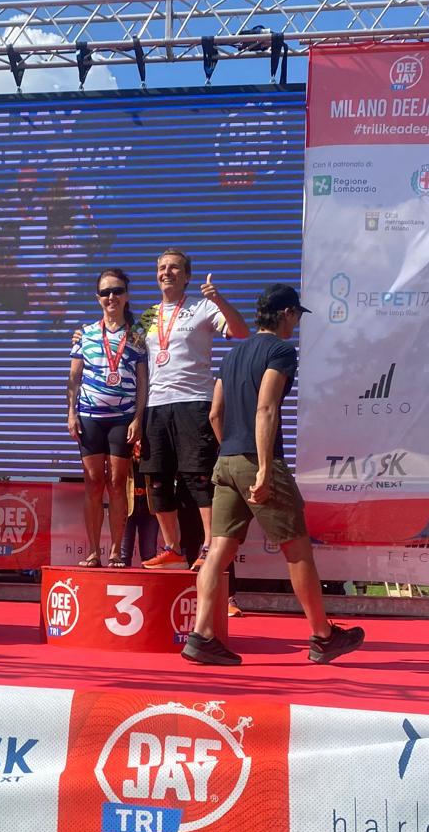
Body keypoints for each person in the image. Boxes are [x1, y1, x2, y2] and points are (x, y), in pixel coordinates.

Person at [183, 284, 364, 667]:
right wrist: (263, 467)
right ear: (286, 313)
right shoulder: (281, 351)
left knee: (218, 551)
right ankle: (323, 636)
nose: (296, 323)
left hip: (227, 461)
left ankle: (201, 635)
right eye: (296, 315)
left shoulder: (233, 354)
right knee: (297, 551)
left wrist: (231, 451)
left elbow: (215, 413)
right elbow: (266, 408)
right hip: (257, 460)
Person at [136, 249, 249, 568]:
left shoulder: (204, 307)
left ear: (186, 276)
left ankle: (209, 546)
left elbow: (240, 332)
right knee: (157, 479)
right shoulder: (148, 316)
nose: (166, 272)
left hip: (194, 401)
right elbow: (124, 344)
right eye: (161, 267)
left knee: (199, 477)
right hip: (156, 405)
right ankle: (172, 547)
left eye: (174, 268)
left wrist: (219, 299)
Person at [67, 268, 148, 566]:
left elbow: (143, 382)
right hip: (89, 416)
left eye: (117, 291)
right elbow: (74, 377)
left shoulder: (137, 336)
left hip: (122, 418)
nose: (111, 297)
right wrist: (71, 413)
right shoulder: (85, 333)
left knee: (116, 483)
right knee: (93, 483)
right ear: (97, 297)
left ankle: (115, 551)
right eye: (105, 292)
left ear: (126, 295)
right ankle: (92, 551)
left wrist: (138, 418)